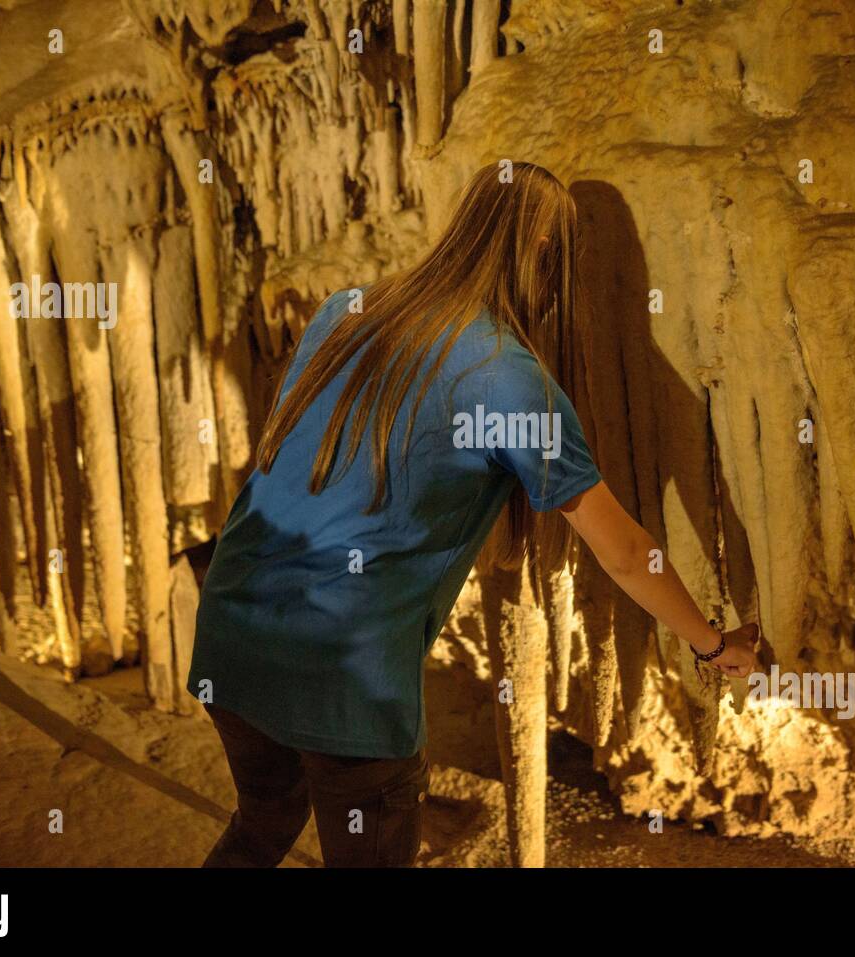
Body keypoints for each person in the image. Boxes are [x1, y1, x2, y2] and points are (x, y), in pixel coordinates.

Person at [186, 161, 761, 868]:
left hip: (234, 629)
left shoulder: (346, 308)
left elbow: (290, 461)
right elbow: (621, 551)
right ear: (545, 262)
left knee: (263, 822)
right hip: (345, 679)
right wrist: (710, 641)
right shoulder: (509, 378)